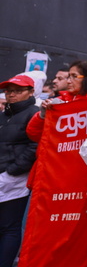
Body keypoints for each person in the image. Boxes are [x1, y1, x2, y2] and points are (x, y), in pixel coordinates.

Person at [0, 74, 39, 267]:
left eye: (17, 91)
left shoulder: (35, 113)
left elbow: (35, 146)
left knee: (10, 226)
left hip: (15, 179)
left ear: (31, 92)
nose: (11, 95)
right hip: (3, 175)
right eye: (9, 91)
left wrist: (13, 170)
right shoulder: (5, 114)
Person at [26, 60, 87, 139]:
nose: (68, 81)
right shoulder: (60, 99)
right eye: (69, 76)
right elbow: (34, 135)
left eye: (74, 76)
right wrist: (42, 115)